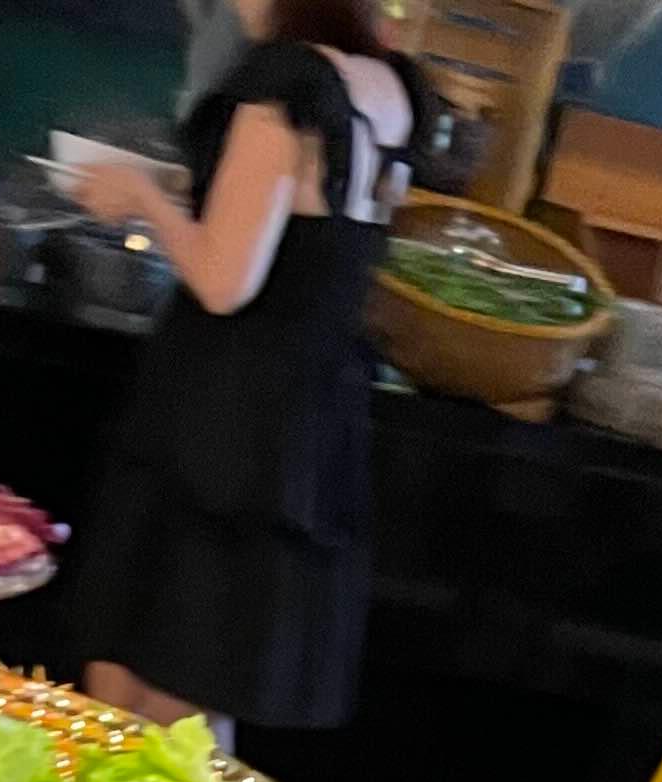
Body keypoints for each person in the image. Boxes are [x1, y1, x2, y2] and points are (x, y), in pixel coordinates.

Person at [64, 0, 423, 737]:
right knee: (197, 693)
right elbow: (307, 232)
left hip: (216, 413)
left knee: (139, 694)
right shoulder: (387, 86)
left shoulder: (283, 86)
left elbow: (225, 281)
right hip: (303, 422)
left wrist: (141, 199)